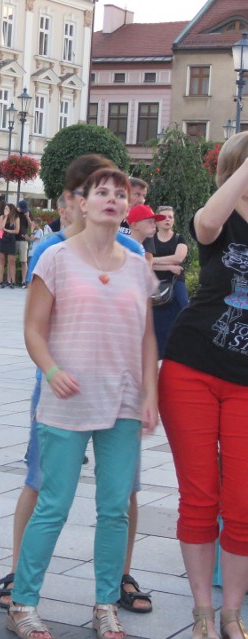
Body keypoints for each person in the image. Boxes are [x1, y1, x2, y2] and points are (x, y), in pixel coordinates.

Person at [0, 155, 151, 616]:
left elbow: (146, 336)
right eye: (101, 192)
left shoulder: (138, 263)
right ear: (79, 203)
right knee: (53, 502)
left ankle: (106, 605)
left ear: (129, 206)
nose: (112, 199)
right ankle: (24, 602)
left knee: (115, 506)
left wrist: (152, 395)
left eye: (120, 194)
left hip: (122, 399)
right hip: (66, 398)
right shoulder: (55, 256)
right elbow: (34, 329)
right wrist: (51, 370)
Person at [158, 131, 248, 639]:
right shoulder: (219, 219)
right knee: (199, 496)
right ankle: (202, 614)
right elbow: (208, 223)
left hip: (246, 384)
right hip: (191, 368)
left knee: (242, 503)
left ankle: (232, 612)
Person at [151, 206, 189, 358]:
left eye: (170, 217)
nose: (167, 219)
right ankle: (159, 354)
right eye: (164, 217)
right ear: (157, 221)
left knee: (182, 314)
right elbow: (144, 261)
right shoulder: (150, 239)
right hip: (155, 285)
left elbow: (178, 259)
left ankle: (182, 353)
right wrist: (168, 266)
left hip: (175, 283)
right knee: (156, 321)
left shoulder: (180, 238)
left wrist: (153, 261)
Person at [0, 202, 19, 288]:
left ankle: (12, 281)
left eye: (7, 209)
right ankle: (1, 281)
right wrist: (5, 216)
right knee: (2, 261)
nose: (5, 210)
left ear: (11, 210)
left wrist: (7, 230)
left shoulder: (16, 218)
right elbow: (1, 228)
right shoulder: (2, 217)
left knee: (11, 261)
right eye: (5, 208)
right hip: (3, 239)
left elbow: (17, 231)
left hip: (11, 240)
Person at [17, 200, 31, 287]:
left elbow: (32, 225)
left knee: (24, 261)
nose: (24, 211)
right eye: (23, 209)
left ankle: (23, 280)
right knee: (11, 260)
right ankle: (10, 280)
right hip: (14, 238)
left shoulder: (28, 213)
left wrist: (28, 217)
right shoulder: (16, 213)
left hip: (23, 239)